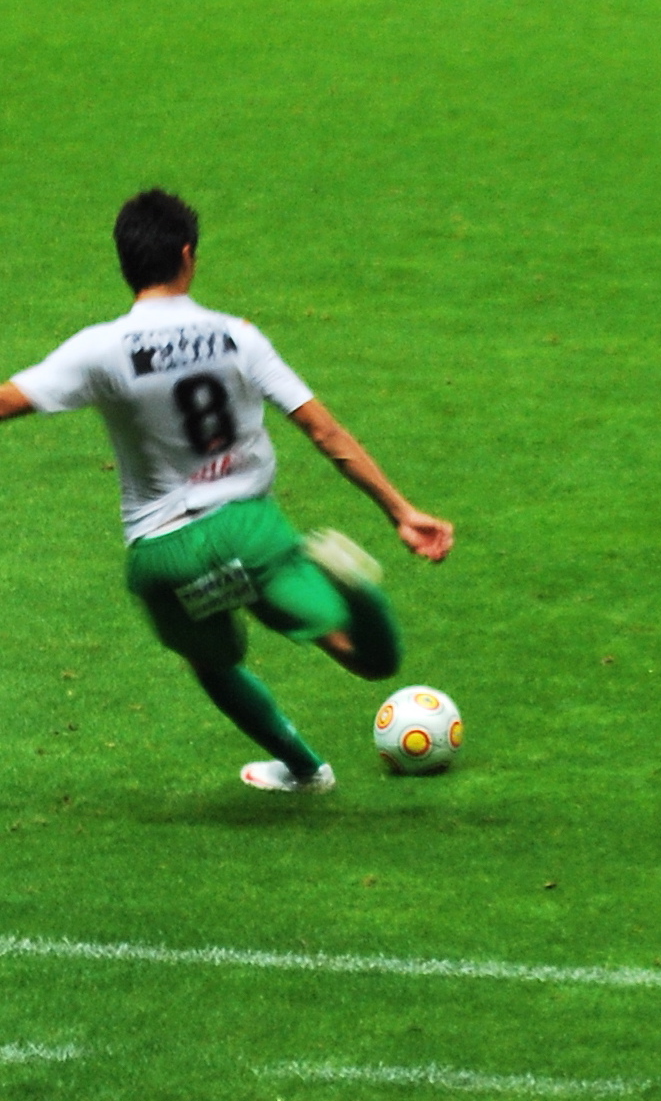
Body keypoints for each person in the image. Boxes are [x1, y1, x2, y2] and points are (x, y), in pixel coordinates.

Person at [0, 188, 454, 794]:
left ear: (125, 263)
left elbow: (8, 400)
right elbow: (323, 431)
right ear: (187, 254)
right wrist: (400, 510)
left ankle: (305, 770)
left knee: (213, 664)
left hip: (166, 554)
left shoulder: (100, 348)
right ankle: (355, 586)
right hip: (251, 531)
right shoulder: (237, 335)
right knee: (365, 658)